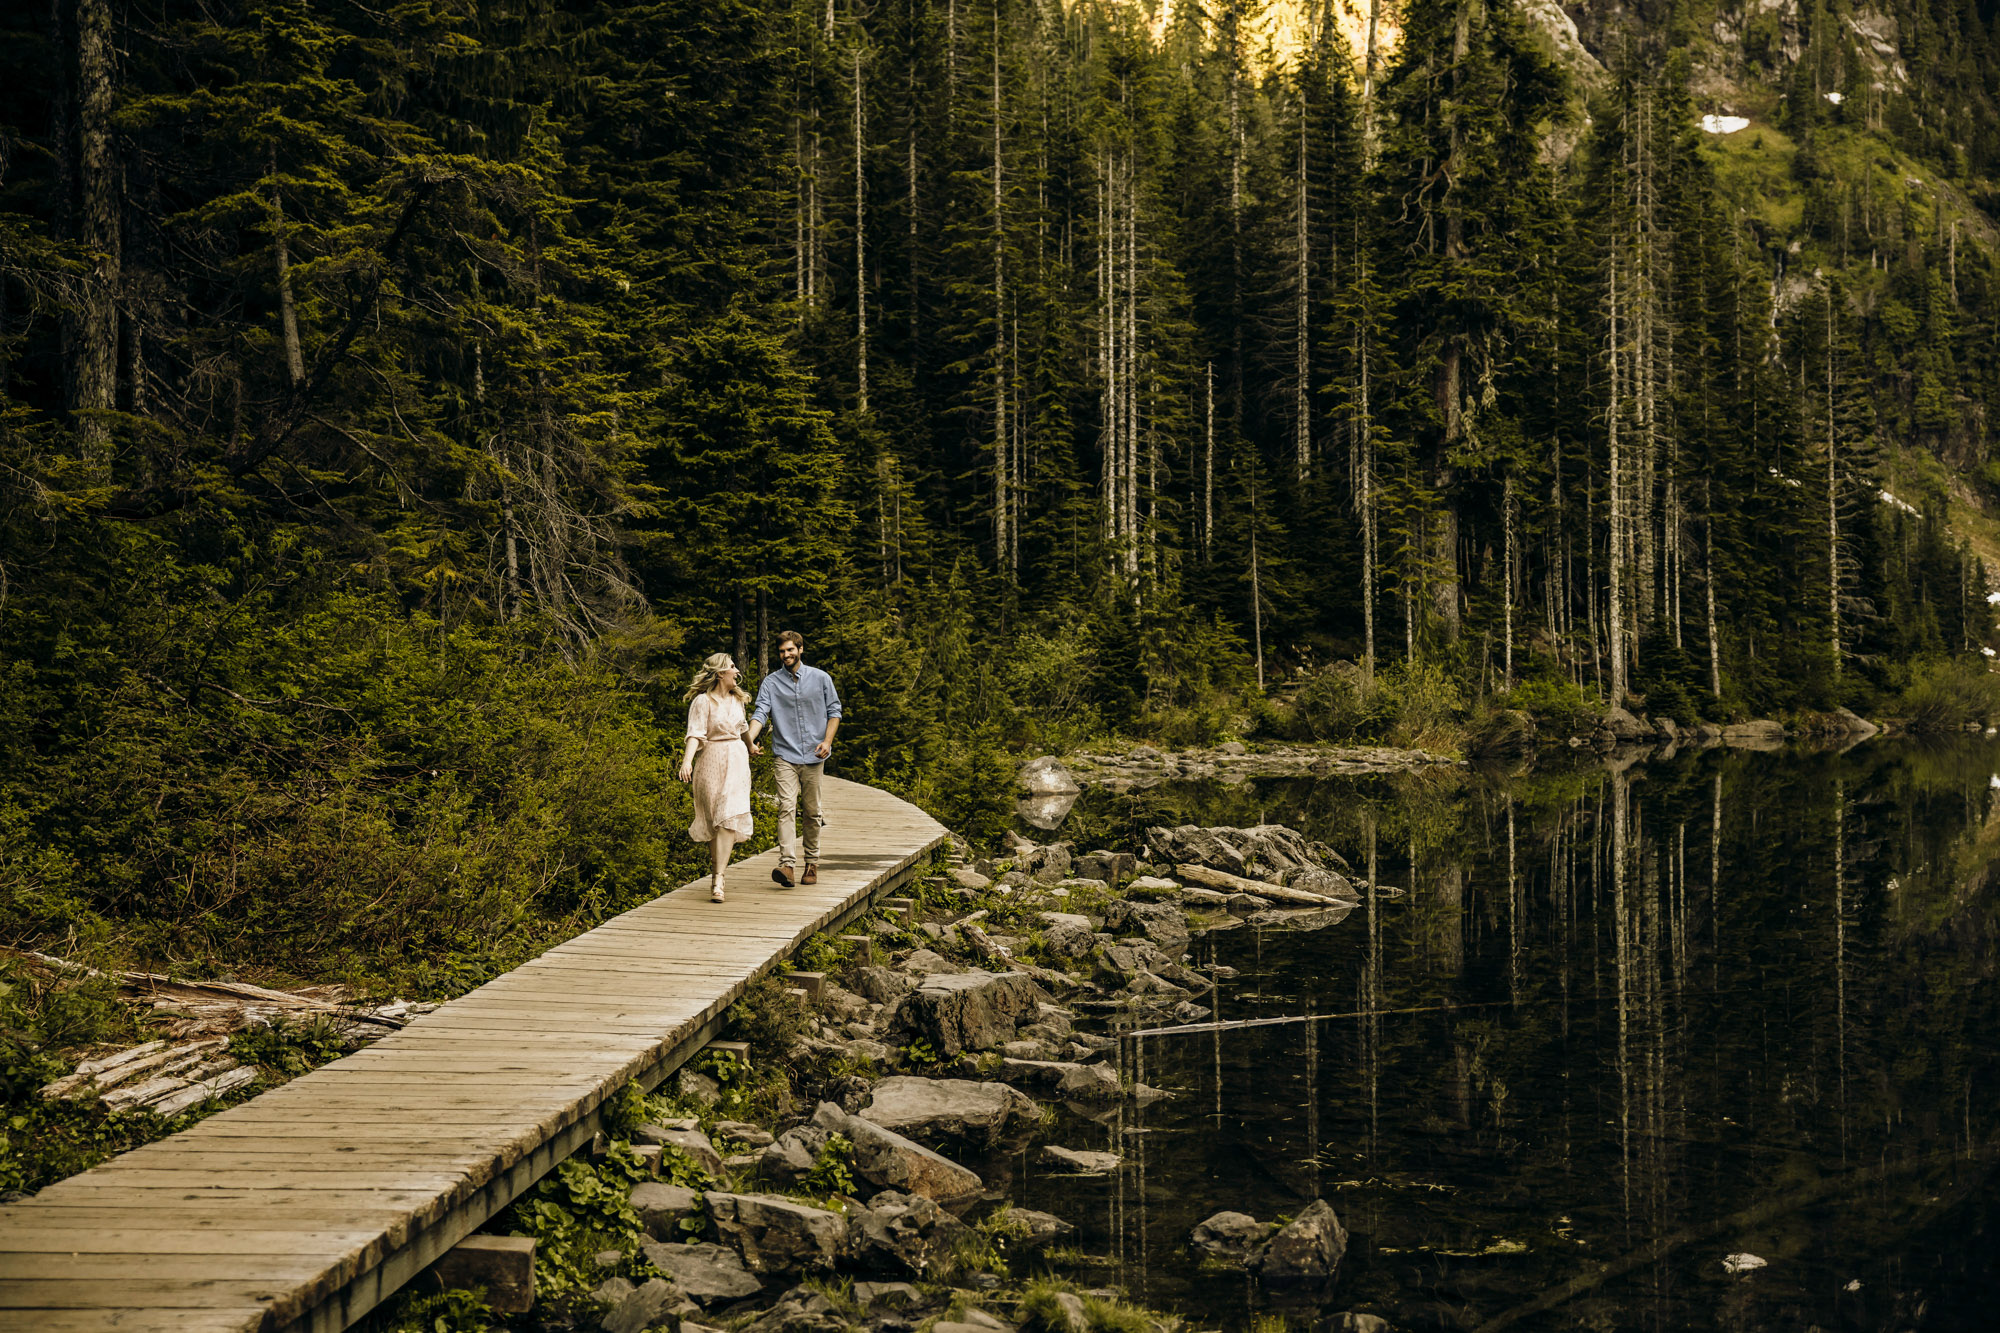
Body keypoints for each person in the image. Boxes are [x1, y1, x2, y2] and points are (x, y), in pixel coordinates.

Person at [746, 630, 842, 887]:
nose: (786, 655)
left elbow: (835, 712)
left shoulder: (821, 678)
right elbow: (760, 713)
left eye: (790, 650)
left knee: (812, 812)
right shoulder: (771, 683)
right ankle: (787, 865)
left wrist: (827, 741)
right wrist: (749, 739)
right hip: (785, 755)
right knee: (786, 807)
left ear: (800, 649)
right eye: (782, 651)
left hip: (814, 754)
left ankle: (811, 863)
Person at [678, 653, 760, 902]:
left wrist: (751, 746)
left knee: (728, 816)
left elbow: (743, 727)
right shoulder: (703, 702)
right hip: (711, 761)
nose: (737, 671)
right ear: (720, 673)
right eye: (732, 667)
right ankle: (717, 872)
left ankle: (719, 879)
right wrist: (687, 760)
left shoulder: (738, 700)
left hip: (736, 760)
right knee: (715, 821)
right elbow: (695, 734)